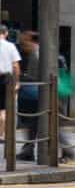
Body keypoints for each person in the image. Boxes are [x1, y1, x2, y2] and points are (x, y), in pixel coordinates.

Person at [15, 32, 40, 161]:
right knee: (33, 124)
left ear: (31, 41)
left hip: (38, 95)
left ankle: (68, 150)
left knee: (51, 125)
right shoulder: (34, 53)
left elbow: (37, 77)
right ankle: (28, 151)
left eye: (24, 43)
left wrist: (23, 78)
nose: (23, 47)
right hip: (37, 95)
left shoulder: (37, 54)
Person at [0, 25, 21, 147]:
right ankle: (3, 134)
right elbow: (16, 66)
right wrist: (17, 82)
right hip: (6, 79)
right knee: (5, 108)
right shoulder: (11, 46)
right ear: (6, 33)